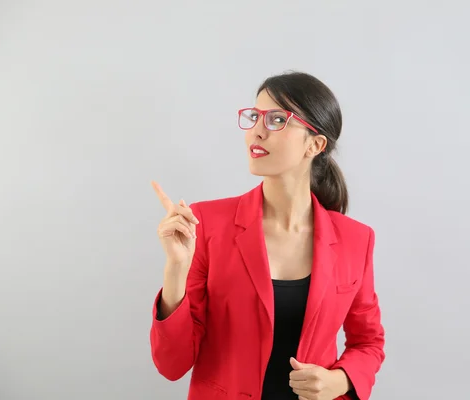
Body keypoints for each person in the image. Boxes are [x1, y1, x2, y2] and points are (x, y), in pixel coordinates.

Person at [149, 71, 385, 400]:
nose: (258, 131)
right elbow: (171, 364)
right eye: (254, 117)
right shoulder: (207, 224)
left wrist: (341, 380)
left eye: (277, 119)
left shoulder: (356, 240)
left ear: (315, 145)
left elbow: (368, 342)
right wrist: (175, 269)